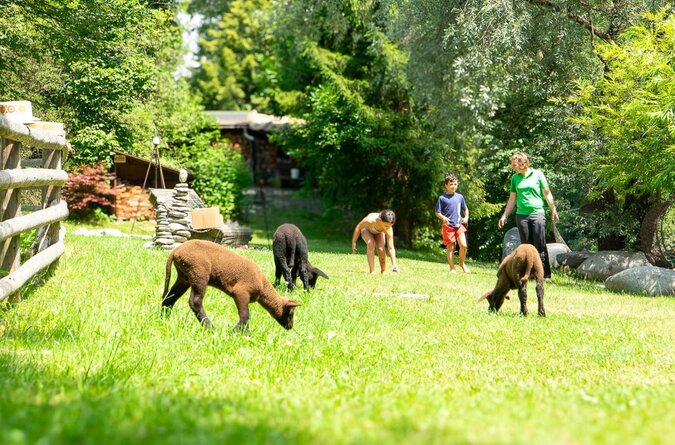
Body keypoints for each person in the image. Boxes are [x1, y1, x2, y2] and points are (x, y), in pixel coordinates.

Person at [497, 152, 559, 279]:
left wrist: (553, 209)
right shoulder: (515, 178)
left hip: (537, 213)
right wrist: (504, 215)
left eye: (514, 164)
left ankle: (544, 274)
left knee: (539, 244)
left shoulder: (538, 174)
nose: (512, 167)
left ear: (523, 163)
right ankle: (528, 274)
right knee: (526, 246)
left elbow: (547, 193)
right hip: (522, 215)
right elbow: (512, 199)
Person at [435, 174, 470, 273]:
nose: (453, 186)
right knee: (451, 247)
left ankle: (462, 263)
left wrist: (466, 217)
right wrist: (443, 218)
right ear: (446, 185)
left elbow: (465, 209)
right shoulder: (442, 198)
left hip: (459, 225)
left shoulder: (460, 197)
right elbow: (437, 212)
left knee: (464, 245)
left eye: (455, 184)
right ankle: (452, 268)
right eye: (451, 184)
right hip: (448, 226)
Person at [351, 210, 400, 274]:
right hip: (366, 230)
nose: (387, 228)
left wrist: (394, 264)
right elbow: (358, 227)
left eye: (390, 226)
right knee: (371, 243)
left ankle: (383, 271)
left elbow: (391, 248)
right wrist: (354, 242)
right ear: (380, 220)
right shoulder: (370, 220)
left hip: (379, 232)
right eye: (386, 226)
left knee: (381, 249)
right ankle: (372, 271)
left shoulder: (388, 229)